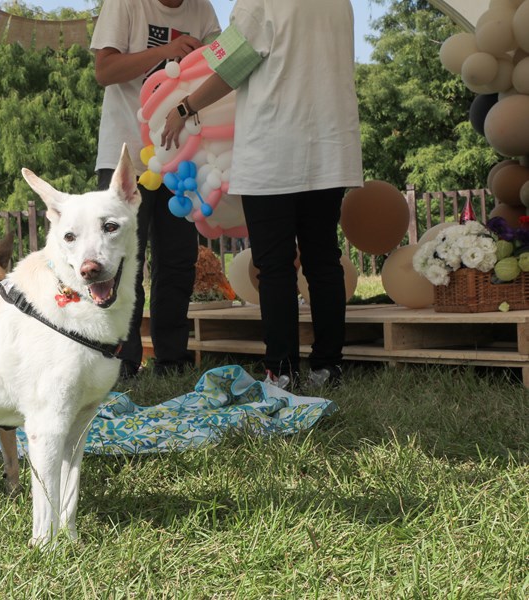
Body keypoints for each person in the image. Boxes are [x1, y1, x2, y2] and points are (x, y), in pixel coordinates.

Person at [161, 0, 364, 390]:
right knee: (323, 260)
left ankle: (282, 370)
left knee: (274, 267)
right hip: (330, 146)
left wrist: (185, 106)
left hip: (274, 150)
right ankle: (328, 367)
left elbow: (230, 66)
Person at [91, 0, 221, 378]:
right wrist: (165, 52)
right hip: (126, 154)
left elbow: (222, 64)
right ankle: (123, 361)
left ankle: (172, 360)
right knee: (120, 260)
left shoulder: (202, 9)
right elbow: (104, 71)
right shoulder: (126, 4)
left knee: (179, 261)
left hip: (182, 156)